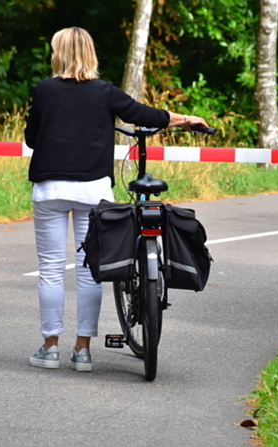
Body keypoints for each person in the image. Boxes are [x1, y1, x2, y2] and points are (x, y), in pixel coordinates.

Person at [24, 26, 208, 372]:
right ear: (91, 54)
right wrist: (185, 119)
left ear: (57, 54)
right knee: (89, 269)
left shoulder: (44, 91)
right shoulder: (104, 92)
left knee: (50, 270)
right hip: (92, 191)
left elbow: (32, 138)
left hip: (49, 189)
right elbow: (144, 114)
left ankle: (49, 349)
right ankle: (82, 351)